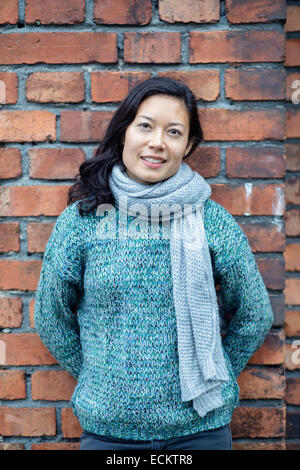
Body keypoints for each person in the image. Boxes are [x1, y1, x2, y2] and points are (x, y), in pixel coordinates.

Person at [34, 77, 274, 451]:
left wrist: (212, 375)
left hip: (201, 432)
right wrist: (99, 379)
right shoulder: (82, 222)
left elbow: (255, 315)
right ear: (124, 132)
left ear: (189, 144)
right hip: (109, 436)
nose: (157, 142)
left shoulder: (213, 221)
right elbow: (51, 318)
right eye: (145, 126)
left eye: (174, 132)